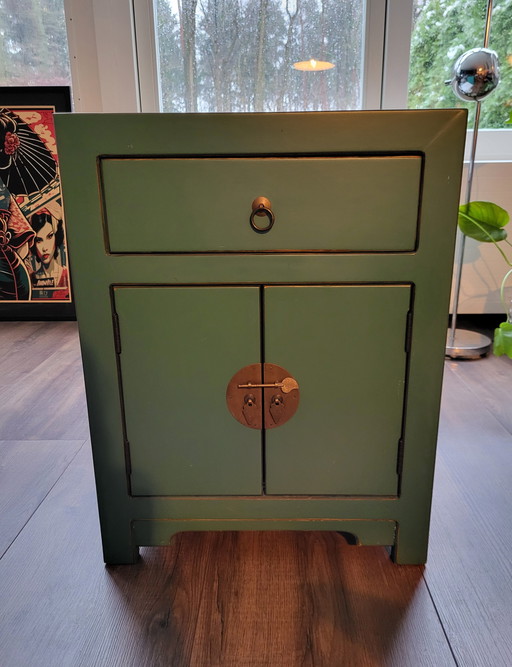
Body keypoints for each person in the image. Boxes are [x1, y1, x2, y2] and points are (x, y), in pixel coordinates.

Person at [29, 209, 69, 300]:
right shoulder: (30, 280)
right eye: (39, 240)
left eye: (49, 236)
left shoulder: (67, 276)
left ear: (56, 237)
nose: (45, 248)